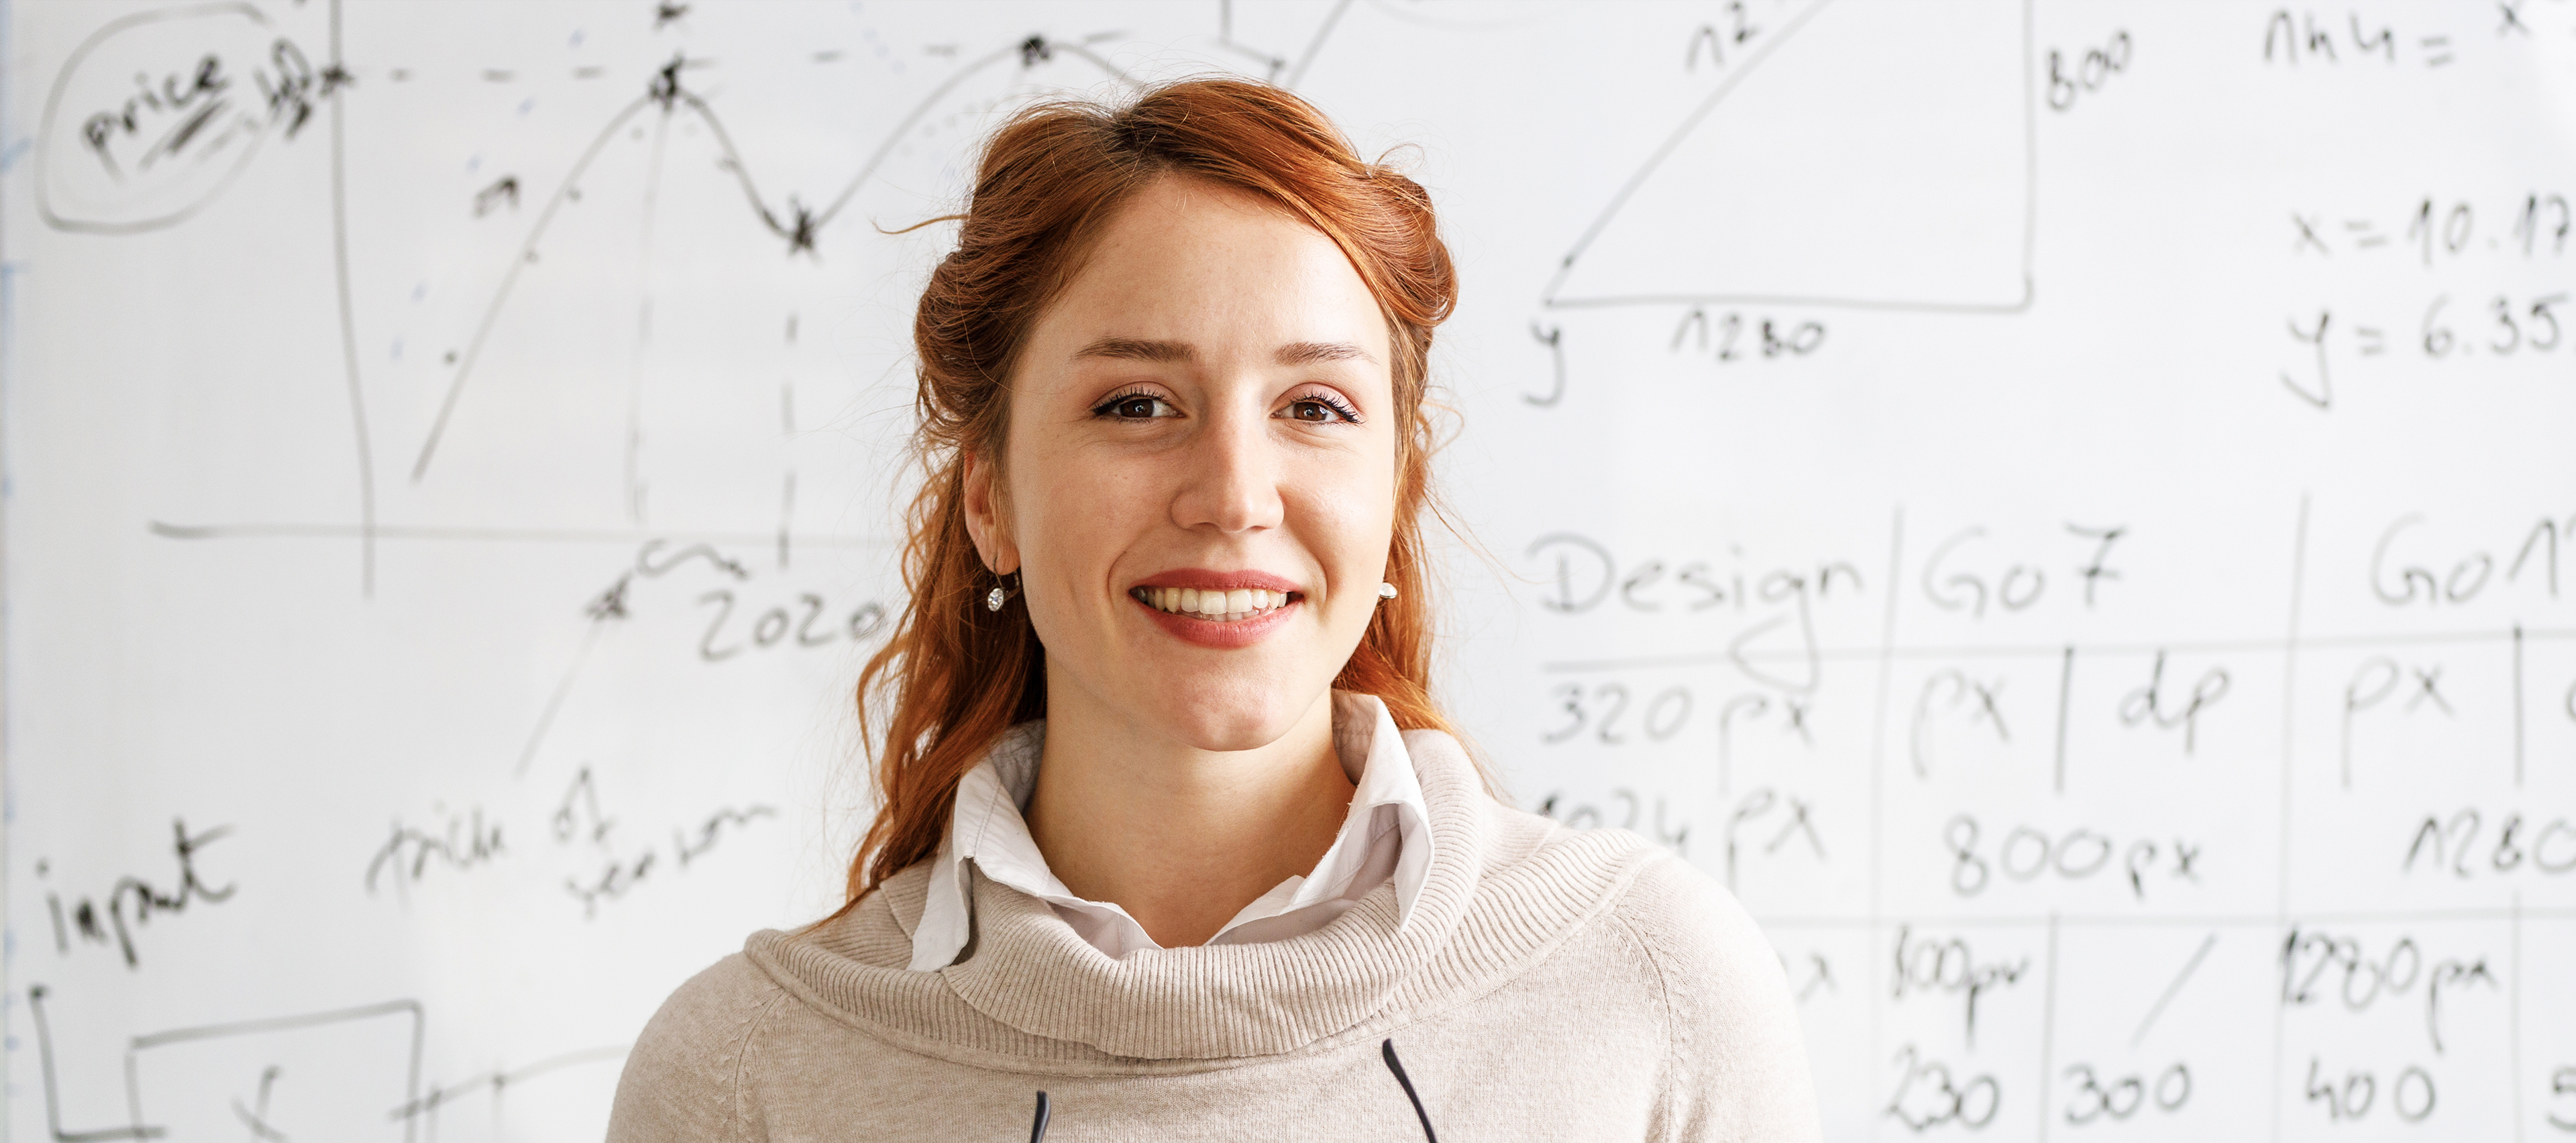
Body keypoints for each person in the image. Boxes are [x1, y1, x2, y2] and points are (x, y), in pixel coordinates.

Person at [607, 76, 1819, 1142]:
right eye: (1136, 404)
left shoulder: (1654, 985)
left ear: (1396, 494)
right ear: (991, 498)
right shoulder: (743, 1077)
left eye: (1316, 407)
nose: (1235, 497)